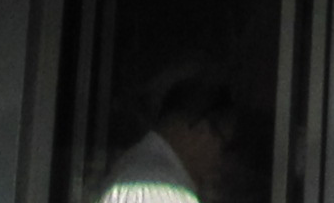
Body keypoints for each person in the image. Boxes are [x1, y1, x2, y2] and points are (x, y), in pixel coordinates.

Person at [96, 72, 245, 203]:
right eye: (224, 145)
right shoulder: (158, 188)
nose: (223, 159)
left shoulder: (143, 172)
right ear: (202, 130)